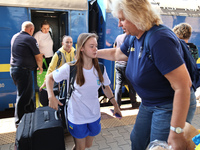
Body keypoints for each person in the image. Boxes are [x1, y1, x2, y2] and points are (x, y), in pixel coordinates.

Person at [97, 0, 191, 150]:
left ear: (136, 17)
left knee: (158, 146)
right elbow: (117, 53)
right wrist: (93, 53)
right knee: (137, 140)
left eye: (122, 19)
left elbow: (183, 86)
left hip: (167, 105)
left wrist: (176, 131)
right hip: (148, 103)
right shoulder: (134, 36)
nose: (119, 25)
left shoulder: (159, 39)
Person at [46, 33, 122, 150]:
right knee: (81, 148)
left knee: (88, 145)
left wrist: (115, 105)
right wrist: (51, 96)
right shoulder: (70, 68)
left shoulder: (100, 68)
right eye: (91, 46)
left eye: (96, 46)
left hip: (94, 114)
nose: (95, 49)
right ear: (82, 48)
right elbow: (49, 78)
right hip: (76, 116)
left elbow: (106, 87)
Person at [10, 21, 43, 127]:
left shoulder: (15, 36)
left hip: (15, 70)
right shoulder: (30, 39)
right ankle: (19, 121)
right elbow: (38, 56)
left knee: (27, 94)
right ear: (31, 29)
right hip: (23, 70)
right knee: (24, 95)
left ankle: (29, 116)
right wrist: (40, 67)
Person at [172, 23, 197, 124]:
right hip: (190, 87)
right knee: (186, 123)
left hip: (178, 87)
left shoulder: (176, 47)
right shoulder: (194, 48)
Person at [114, 33, 140, 108]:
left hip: (118, 64)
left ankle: (117, 105)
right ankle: (134, 103)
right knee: (131, 85)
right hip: (127, 64)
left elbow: (114, 47)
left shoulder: (118, 37)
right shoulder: (130, 38)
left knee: (118, 85)